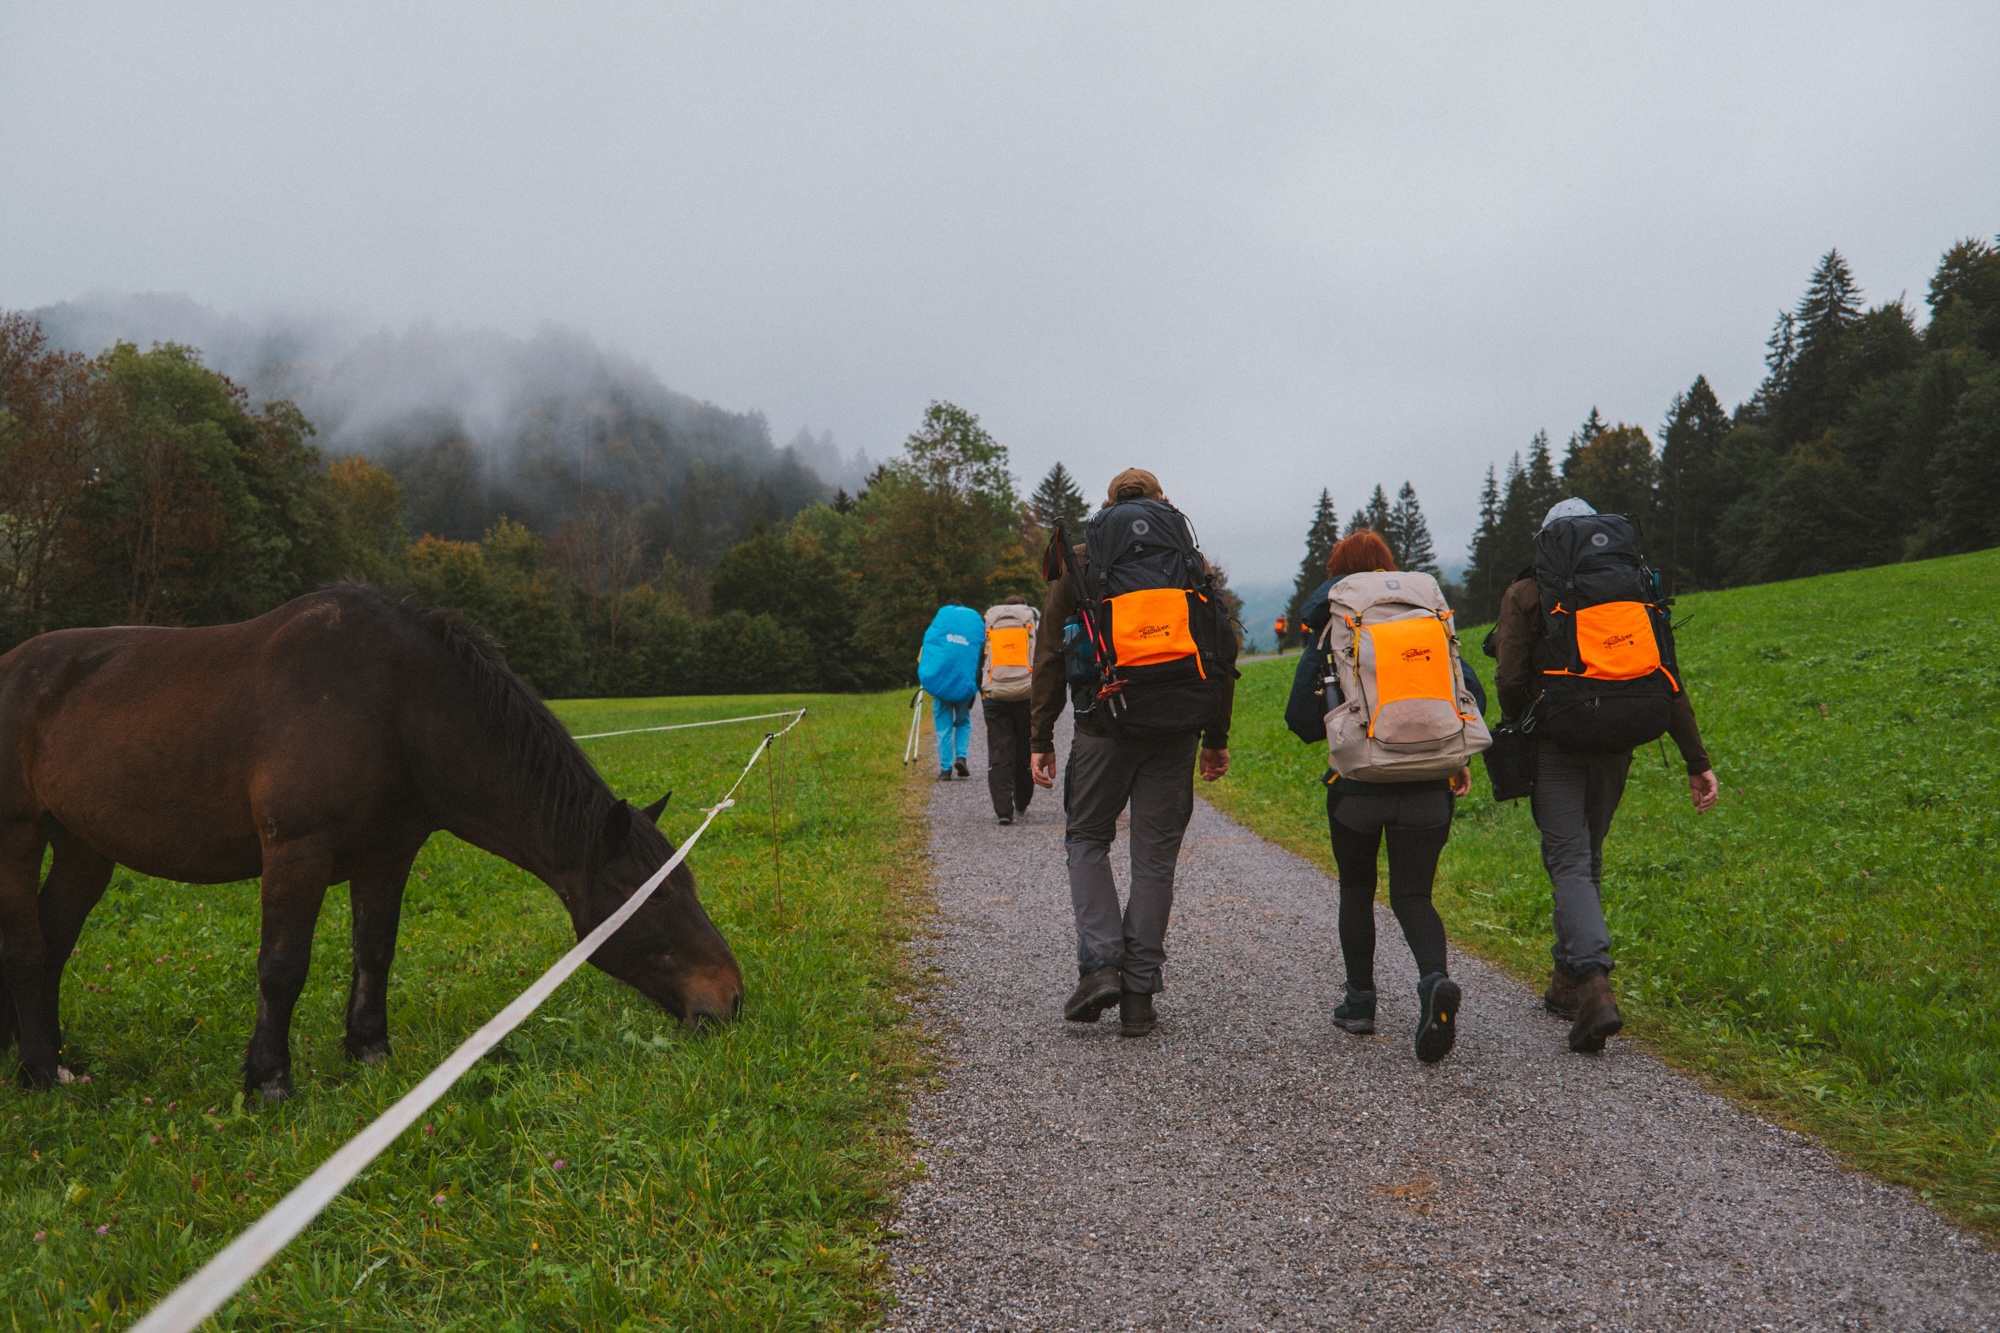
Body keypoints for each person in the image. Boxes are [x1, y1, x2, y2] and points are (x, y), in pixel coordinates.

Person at [1493, 497, 1720, 1053]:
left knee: (1568, 859)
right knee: (1588, 855)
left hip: (1559, 742)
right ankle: (1566, 981)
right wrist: (1697, 760)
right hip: (1622, 737)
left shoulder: (1528, 592)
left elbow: (1508, 676)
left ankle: (1594, 982)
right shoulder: (1634, 585)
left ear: (1548, 543)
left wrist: (1530, 722)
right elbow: (1668, 677)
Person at [1029, 468, 1237, 1038]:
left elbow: (1048, 652)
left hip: (1103, 726)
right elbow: (1223, 651)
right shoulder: (1188, 561)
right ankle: (1140, 995)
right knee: (1154, 858)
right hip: (1176, 729)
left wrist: (1041, 736)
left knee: (1087, 839)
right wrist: (1215, 737)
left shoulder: (1083, 560)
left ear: (1107, 505)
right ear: (1163, 503)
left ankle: (1100, 966)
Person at [1285, 530, 1485, 1063]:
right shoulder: (1426, 620)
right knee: (1414, 896)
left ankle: (1360, 1004)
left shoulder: (1335, 625)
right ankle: (1434, 981)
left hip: (1358, 788)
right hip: (1427, 785)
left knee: (1356, 887)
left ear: (1339, 575)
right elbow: (1474, 695)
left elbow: (1300, 721)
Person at [980, 594, 1039, 825]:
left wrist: (984, 694)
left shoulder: (992, 624)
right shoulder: (1031, 623)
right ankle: (1022, 801)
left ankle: (1003, 811)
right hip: (1027, 694)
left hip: (995, 697)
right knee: (1025, 747)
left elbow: (981, 662)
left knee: (999, 749)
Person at [919, 602, 985, 782]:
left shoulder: (941, 625)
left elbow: (928, 651)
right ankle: (961, 757)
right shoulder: (971, 627)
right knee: (963, 722)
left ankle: (945, 769)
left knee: (943, 729)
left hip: (941, 685)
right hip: (964, 685)